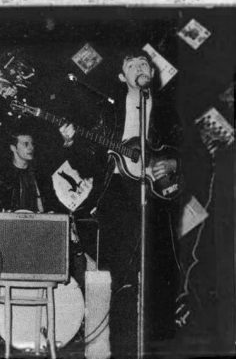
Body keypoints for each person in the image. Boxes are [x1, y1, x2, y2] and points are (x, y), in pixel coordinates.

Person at [60, 49, 182, 357]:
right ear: (121, 76)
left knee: (157, 274)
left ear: (151, 73)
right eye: (131, 64)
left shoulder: (169, 110)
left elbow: (191, 148)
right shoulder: (109, 112)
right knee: (122, 278)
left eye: (144, 63)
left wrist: (172, 164)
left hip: (156, 193)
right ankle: (124, 350)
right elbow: (87, 162)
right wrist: (71, 141)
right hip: (117, 192)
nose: (140, 66)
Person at [0, 130, 45, 212]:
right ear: (13, 148)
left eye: (32, 144)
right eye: (26, 144)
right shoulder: (2, 176)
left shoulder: (39, 174)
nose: (31, 147)